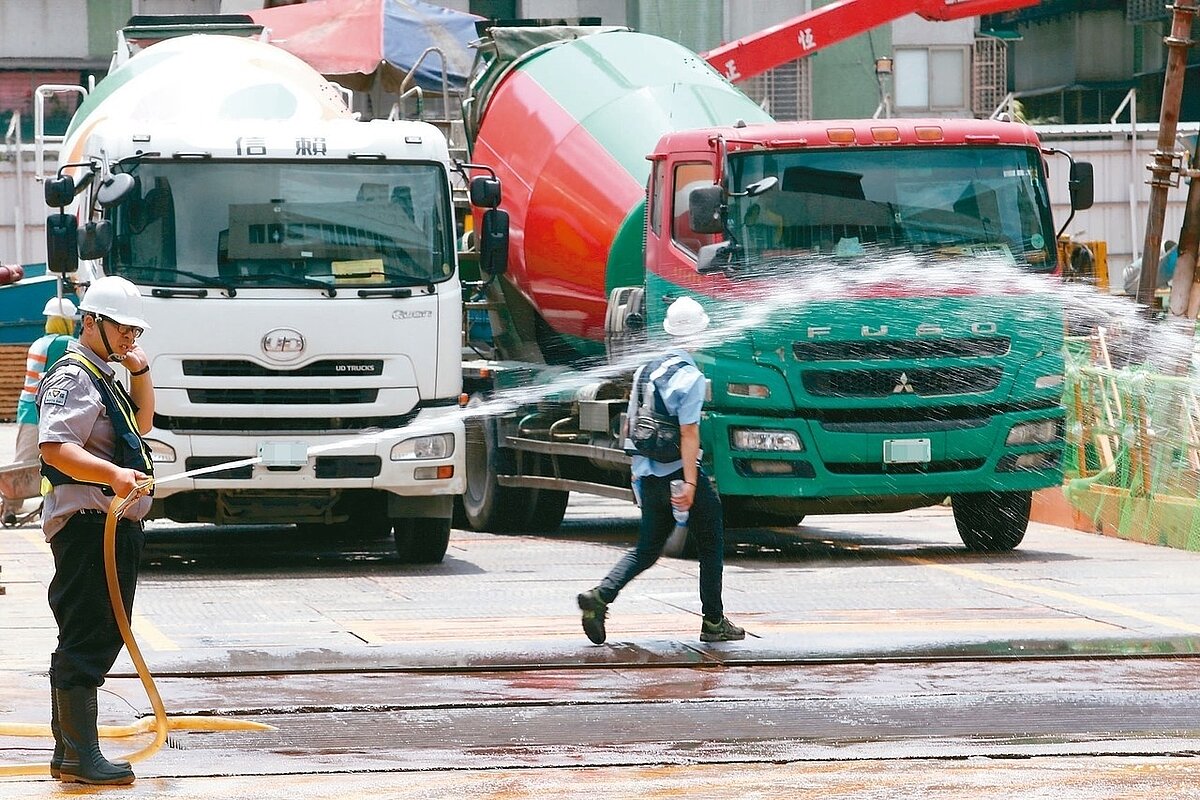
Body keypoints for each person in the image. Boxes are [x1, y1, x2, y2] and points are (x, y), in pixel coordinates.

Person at [38, 275, 155, 785]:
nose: (132, 338)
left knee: (97, 631)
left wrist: (140, 369)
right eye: (124, 329)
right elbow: (55, 447)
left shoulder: (103, 372)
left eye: (135, 331)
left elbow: (143, 424)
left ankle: (70, 754)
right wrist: (112, 474)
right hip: (89, 526)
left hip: (106, 526)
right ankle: (81, 758)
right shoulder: (74, 374)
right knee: (88, 634)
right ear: (92, 323)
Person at [577, 296, 745, 645]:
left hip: (648, 472)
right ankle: (713, 621)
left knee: (648, 548)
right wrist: (689, 483)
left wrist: (639, 473)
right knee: (712, 539)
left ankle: (601, 596)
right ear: (698, 334)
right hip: (677, 474)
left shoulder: (646, 369)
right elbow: (689, 433)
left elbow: (633, 424)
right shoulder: (690, 378)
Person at [14, 297, 78, 467]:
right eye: (72, 321)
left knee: (24, 463)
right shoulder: (64, 342)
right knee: (28, 466)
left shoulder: (40, 342)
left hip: (28, 409)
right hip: (40, 411)